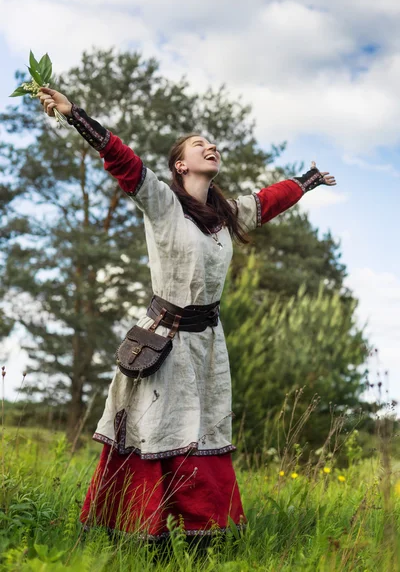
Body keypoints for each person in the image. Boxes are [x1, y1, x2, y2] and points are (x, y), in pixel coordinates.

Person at [37, 86, 336, 542]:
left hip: (208, 344)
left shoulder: (226, 215)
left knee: (205, 430)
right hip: (164, 341)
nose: (210, 147)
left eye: (212, 144)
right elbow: (123, 160)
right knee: (154, 429)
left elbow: (268, 201)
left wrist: (308, 179)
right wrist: (74, 114)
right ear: (181, 164)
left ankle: (202, 536)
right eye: (199, 145)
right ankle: (139, 533)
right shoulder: (162, 202)